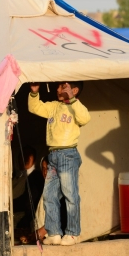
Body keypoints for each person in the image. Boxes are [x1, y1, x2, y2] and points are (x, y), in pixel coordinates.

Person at [28, 81, 90, 246]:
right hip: (53, 155)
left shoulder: (76, 106)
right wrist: (34, 92)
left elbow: (85, 118)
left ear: (74, 90)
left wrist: (72, 99)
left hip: (68, 154)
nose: (58, 89)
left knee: (70, 195)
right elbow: (35, 108)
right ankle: (54, 232)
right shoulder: (54, 106)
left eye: (63, 86)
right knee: (49, 196)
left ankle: (72, 233)